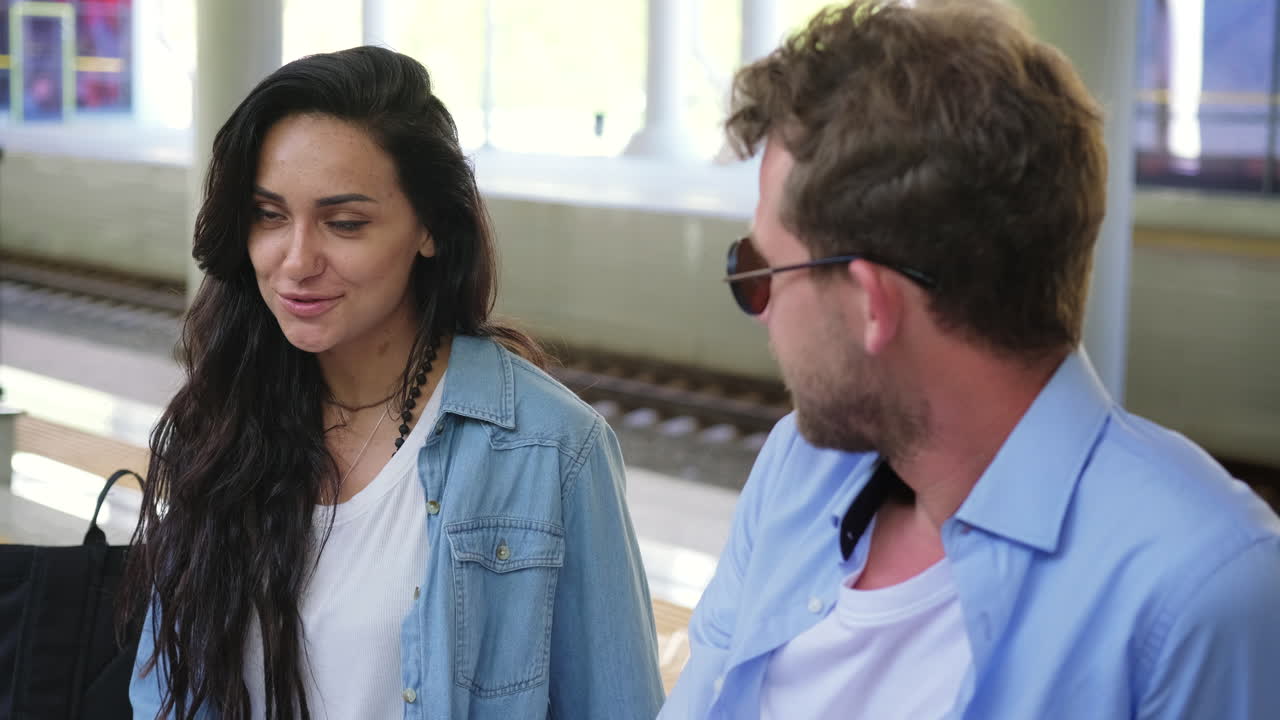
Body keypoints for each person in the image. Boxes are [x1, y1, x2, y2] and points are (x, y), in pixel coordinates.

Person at [660, 1, 1280, 718]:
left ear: (871, 304)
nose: (759, 309)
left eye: (759, 271)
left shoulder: (1204, 595)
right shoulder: (794, 473)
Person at [124, 46, 664, 719]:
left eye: (344, 223)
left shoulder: (552, 451)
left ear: (430, 228)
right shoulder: (222, 422)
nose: (295, 261)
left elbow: (618, 706)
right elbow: (165, 692)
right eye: (269, 216)